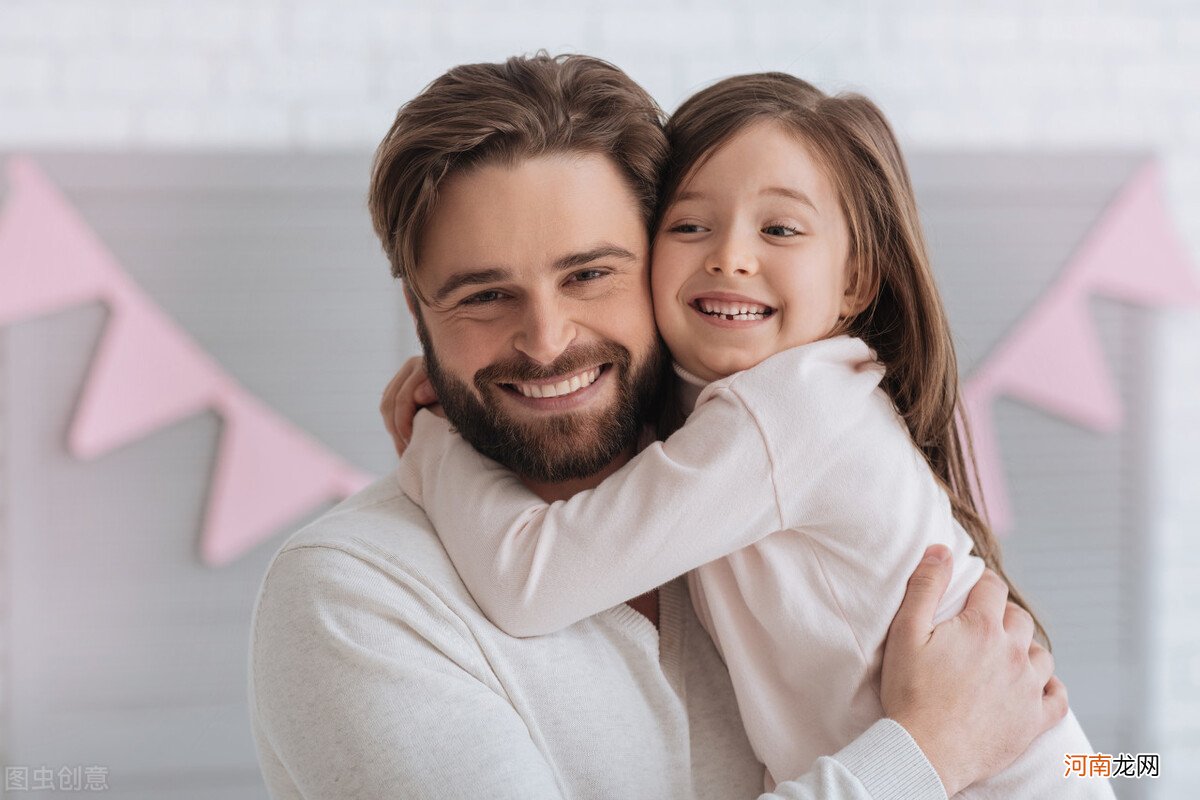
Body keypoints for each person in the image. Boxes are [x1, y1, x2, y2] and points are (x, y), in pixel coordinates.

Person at [250, 54, 1067, 800]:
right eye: (482, 296)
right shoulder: (351, 596)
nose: (546, 340)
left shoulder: (752, 447)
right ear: (420, 315)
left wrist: (436, 443)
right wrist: (925, 754)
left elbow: (1067, 756)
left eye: (591, 273)